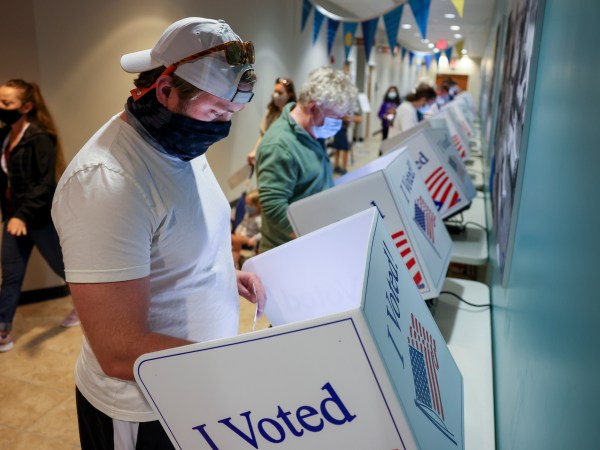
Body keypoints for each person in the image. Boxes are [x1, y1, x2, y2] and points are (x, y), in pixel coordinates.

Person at [51, 17, 266, 449]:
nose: (221, 127)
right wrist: (237, 365)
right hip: (142, 409)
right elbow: (119, 350)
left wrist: (224, 272)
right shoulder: (107, 183)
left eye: (231, 114)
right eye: (216, 113)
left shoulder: (179, 141)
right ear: (165, 89)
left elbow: (179, 228)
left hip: (193, 385)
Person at [0, 79, 79, 353]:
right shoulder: (4, 137)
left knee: (65, 269)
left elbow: (45, 185)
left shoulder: (41, 137)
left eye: (6, 103)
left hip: (39, 219)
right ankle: (3, 330)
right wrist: (12, 214)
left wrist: (21, 214)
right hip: (13, 219)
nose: (1, 107)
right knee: (11, 275)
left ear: (27, 106)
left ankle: (84, 309)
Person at [255, 66, 358, 253]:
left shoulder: (311, 132)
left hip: (313, 240)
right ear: (313, 107)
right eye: (335, 117)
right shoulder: (279, 146)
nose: (338, 124)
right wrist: (314, 235)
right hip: (289, 251)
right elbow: (274, 209)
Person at [247, 77, 296, 165]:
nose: (275, 95)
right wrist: (254, 152)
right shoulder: (271, 112)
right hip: (267, 157)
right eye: (275, 91)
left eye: (280, 93)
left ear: (290, 95)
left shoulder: (293, 116)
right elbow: (263, 135)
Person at [231, 189, 261, 268]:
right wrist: (238, 231)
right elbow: (242, 224)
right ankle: (235, 262)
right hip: (243, 236)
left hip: (250, 239)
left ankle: (235, 264)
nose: (247, 207)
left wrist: (254, 239)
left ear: (258, 205)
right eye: (246, 204)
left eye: (250, 205)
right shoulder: (248, 215)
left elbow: (262, 233)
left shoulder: (258, 219)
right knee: (234, 239)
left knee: (235, 240)